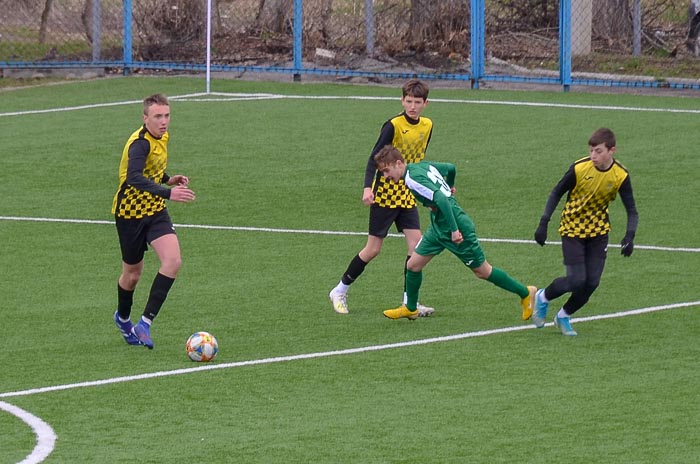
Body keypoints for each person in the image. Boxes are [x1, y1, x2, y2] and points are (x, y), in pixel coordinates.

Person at [373, 146, 537, 321]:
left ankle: (525, 292)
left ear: (398, 163)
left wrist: (454, 230)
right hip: (438, 225)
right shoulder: (422, 166)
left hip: (455, 223)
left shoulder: (412, 179)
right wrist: (450, 185)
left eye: (386, 171)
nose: (385, 176)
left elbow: (442, 199)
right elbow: (450, 168)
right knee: (413, 265)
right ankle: (411, 308)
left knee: (482, 271)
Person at [329, 79, 436, 316]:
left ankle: (410, 303)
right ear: (402, 100)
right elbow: (373, 158)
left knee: (416, 248)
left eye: (417, 102)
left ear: (426, 103)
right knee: (373, 249)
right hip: (386, 195)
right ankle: (339, 290)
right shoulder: (393, 125)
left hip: (408, 193)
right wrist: (368, 188)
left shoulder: (428, 125)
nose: (413, 106)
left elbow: (420, 160)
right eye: (409, 101)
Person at [532, 127, 638, 336]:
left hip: (598, 233)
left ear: (612, 150)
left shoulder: (620, 176)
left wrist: (629, 236)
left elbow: (632, 210)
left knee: (592, 282)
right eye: (591, 151)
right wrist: (543, 223)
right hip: (572, 229)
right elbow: (556, 193)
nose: (593, 156)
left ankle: (563, 316)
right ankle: (543, 297)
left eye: (598, 151)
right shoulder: (579, 169)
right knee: (576, 280)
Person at [111, 93, 196, 349]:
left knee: (173, 261)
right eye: (158, 116)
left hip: (155, 211)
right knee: (132, 275)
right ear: (145, 118)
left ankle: (145, 323)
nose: (163, 121)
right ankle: (123, 318)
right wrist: (170, 193)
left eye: (167, 115)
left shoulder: (163, 137)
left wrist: (167, 179)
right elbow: (134, 177)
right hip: (130, 214)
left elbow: (152, 170)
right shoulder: (140, 144)